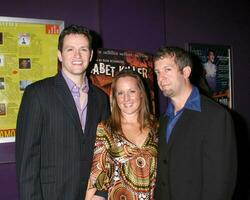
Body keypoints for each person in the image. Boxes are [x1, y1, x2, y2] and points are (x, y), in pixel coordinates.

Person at [16, 25, 110, 200]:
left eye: (83, 49)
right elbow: (27, 162)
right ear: (60, 55)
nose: (77, 55)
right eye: (70, 49)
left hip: (90, 196)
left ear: (91, 55)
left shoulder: (101, 99)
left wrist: (101, 192)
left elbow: (105, 151)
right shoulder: (37, 94)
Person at [153, 46, 237, 200]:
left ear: (186, 72)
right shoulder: (164, 119)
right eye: (158, 72)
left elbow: (220, 185)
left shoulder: (215, 116)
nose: (161, 78)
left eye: (167, 70)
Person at [85, 70, 158, 200]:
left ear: (141, 93)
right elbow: (96, 176)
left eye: (132, 91)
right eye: (121, 93)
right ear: (115, 97)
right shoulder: (105, 129)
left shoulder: (157, 128)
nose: (126, 98)